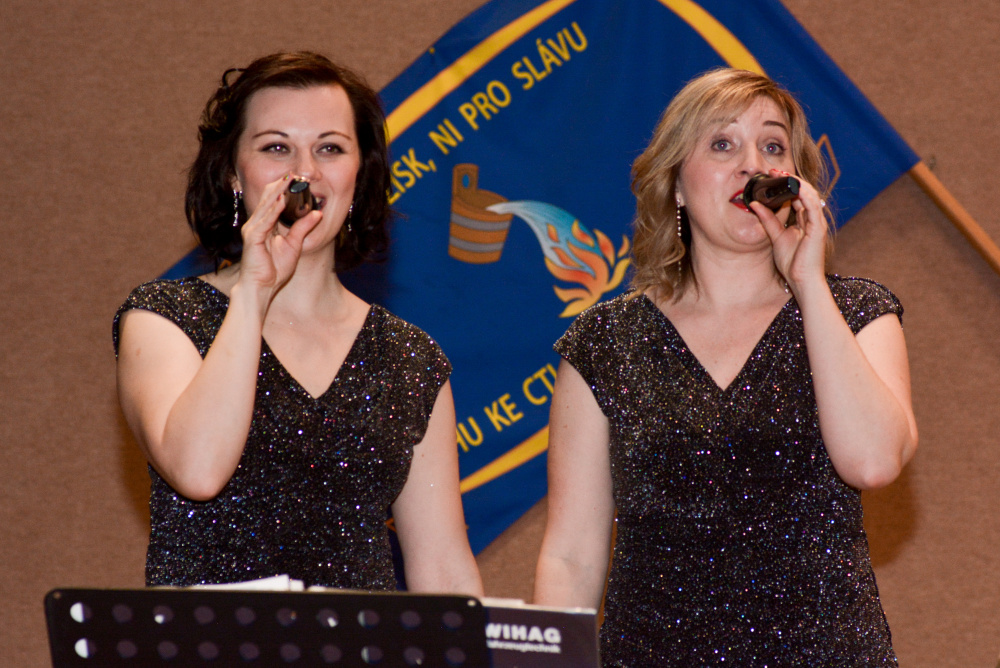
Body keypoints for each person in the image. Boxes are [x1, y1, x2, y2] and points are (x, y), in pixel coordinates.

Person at [533, 68, 917, 665]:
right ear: (676, 185)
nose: (751, 165)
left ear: (794, 183)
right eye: (722, 144)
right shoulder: (607, 342)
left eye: (772, 147)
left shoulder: (856, 312)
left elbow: (872, 462)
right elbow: (570, 557)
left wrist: (808, 283)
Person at [113, 52, 482, 596]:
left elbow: (443, 565)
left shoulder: (409, 358)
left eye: (330, 148)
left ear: (360, 176)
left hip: (361, 639)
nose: (303, 173)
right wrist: (253, 293)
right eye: (276, 148)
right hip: (208, 639)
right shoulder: (164, 317)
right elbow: (198, 470)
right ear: (233, 174)